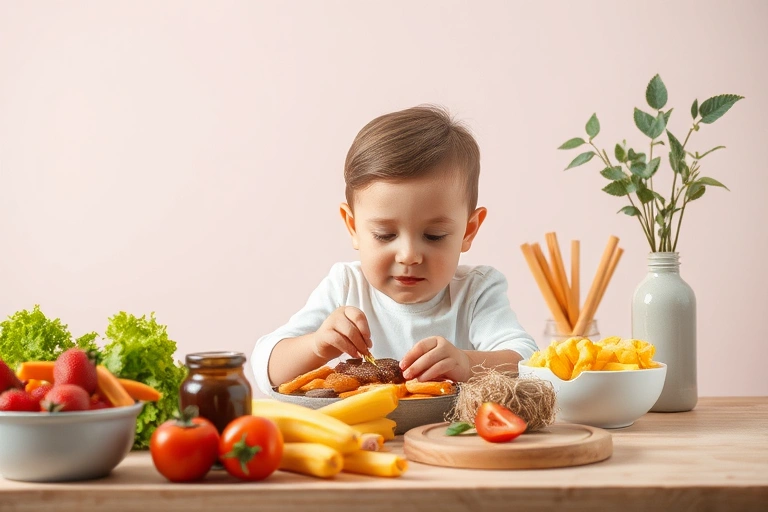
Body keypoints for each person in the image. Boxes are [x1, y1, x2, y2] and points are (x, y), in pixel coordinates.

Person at [251, 105, 538, 395]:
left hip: (450, 437)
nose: (409, 256)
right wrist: (317, 345)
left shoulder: (475, 292)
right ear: (354, 227)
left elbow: (528, 362)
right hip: (362, 437)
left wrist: (467, 363)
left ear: (468, 230)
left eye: (434, 236)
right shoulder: (346, 287)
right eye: (385, 235)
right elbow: (266, 368)